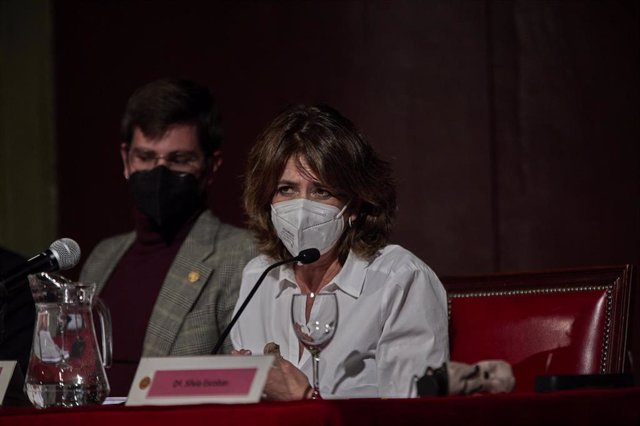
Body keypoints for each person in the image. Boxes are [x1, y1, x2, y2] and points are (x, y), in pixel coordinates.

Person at [231, 104, 449, 399]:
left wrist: (307, 398)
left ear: (355, 206)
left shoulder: (400, 280)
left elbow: (416, 416)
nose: (302, 208)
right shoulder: (258, 276)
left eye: (322, 191)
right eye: (286, 189)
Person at [80, 79, 256, 396]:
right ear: (126, 159)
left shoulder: (242, 256)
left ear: (211, 166)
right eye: (146, 157)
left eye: (178, 160)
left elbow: (247, 385)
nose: (158, 173)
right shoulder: (102, 257)